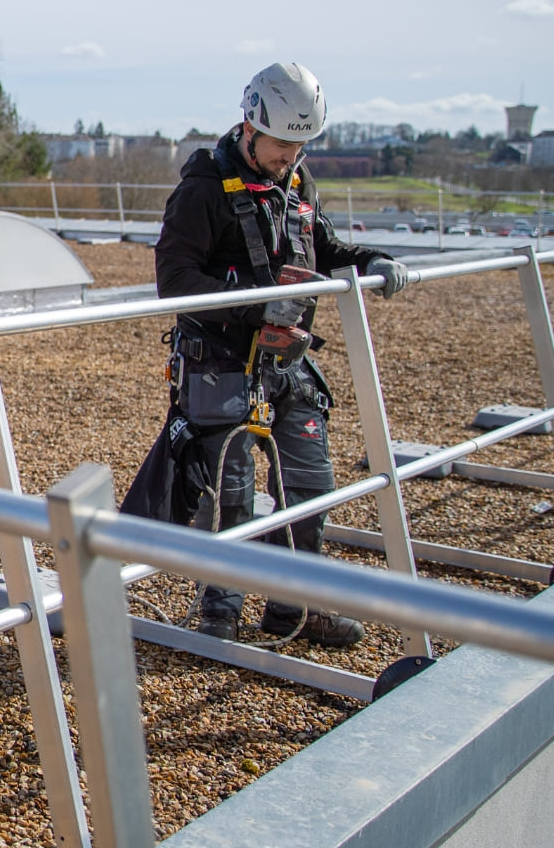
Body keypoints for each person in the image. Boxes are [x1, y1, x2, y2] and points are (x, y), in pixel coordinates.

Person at [138, 63, 410, 646]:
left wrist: (373, 262)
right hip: (219, 365)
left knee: (311, 486)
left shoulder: (296, 185)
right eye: (282, 146)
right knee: (231, 494)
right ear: (250, 128)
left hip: (286, 365)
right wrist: (255, 308)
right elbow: (176, 280)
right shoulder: (203, 190)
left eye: (300, 147)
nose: (290, 158)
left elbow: (325, 246)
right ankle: (220, 612)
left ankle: (294, 608)